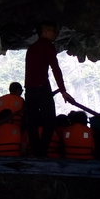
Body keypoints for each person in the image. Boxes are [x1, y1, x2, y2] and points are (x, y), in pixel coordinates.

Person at [24, 22, 73, 157]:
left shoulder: (31, 48)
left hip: (29, 90)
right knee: (50, 121)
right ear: (44, 32)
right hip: (42, 88)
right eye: (52, 31)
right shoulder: (47, 46)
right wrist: (63, 91)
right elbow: (55, 69)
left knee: (32, 123)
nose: (55, 34)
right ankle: (42, 151)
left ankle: (35, 151)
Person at [0, 82, 25, 156]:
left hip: (0, 125)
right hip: (17, 126)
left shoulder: (0, 99)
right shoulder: (21, 100)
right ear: (18, 90)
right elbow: (25, 118)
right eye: (21, 90)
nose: (22, 92)